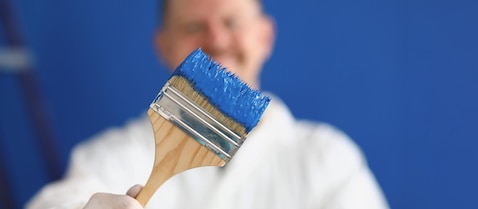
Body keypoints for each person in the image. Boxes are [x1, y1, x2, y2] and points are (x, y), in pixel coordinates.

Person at [27, 0, 389, 208]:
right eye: (192, 28)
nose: (216, 39)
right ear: (162, 45)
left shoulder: (327, 157)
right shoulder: (114, 155)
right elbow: (58, 201)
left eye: (232, 22)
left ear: (265, 38)